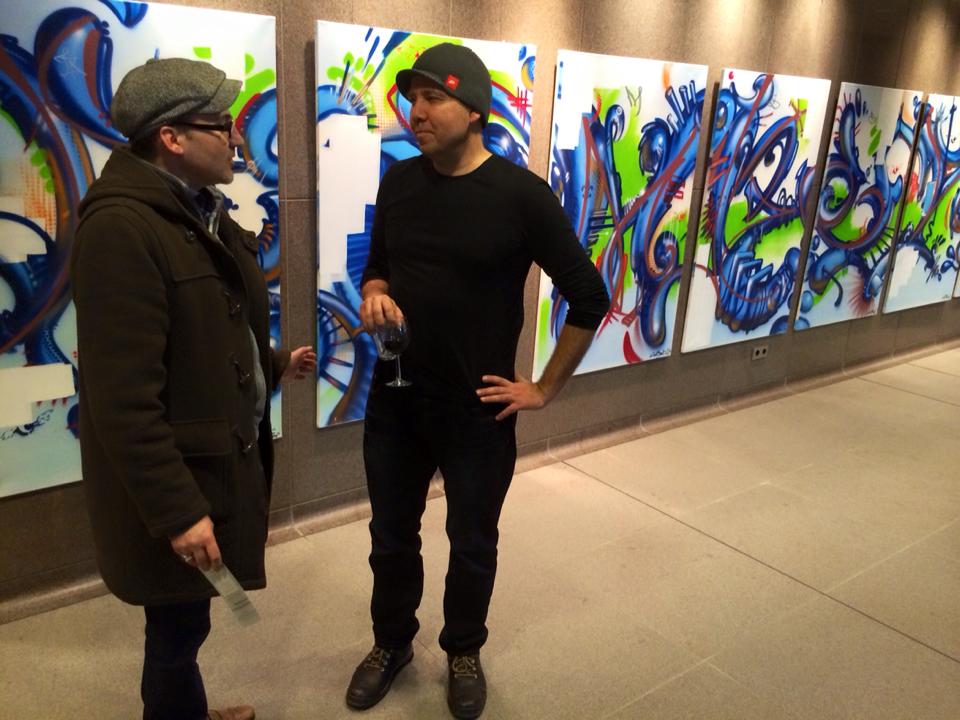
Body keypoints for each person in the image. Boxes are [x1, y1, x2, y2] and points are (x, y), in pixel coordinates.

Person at [345, 43, 610, 719]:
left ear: (474, 111)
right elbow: (377, 266)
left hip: (477, 410)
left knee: (472, 543)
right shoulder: (400, 183)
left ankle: (463, 649)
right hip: (396, 399)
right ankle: (391, 643)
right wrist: (375, 293)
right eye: (412, 98)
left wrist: (543, 388)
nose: (416, 111)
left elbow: (589, 295)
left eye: (432, 97)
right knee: (390, 538)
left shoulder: (521, 196)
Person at [70, 57, 316, 720]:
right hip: (180, 484)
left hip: (208, 470)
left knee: (186, 624)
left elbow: (202, 335)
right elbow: (122, 399)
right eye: (221, 125)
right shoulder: (123, 229)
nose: (235, 137)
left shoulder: (193, 212)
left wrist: (269, 363)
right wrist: (178, 511)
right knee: (176, 632)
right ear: (171, 138)